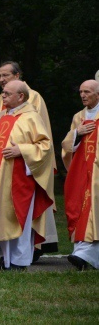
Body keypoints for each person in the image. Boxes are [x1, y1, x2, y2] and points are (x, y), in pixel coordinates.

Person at [0, 80, 55, 270]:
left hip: (18, 179)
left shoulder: (31, 117)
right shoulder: (0, 116)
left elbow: (45, 147)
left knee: (16, 218)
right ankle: (4, 259)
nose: (3, 96)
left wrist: (22, 150)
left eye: (7, 93)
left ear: (21, 96)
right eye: (2, 93)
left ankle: (19, 262)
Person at [61, 79, 99, 270]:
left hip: (97, 173)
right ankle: (82, 254)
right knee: (80, 208)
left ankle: (85, 256)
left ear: (98, 94)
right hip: (82, 172)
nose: (83, 95)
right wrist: (78, 132)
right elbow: (67, 145)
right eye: (81, 92)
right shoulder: (79, 116)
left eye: (87, 92)